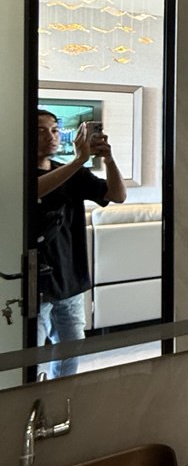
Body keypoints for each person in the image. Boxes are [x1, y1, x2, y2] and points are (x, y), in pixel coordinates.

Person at [36, 111, 126, 378]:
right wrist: (78, 160)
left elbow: (117, 195)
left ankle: (61, 391)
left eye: (54, 129)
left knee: (71, 348)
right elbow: (29, 192)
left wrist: (108, 160)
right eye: (41, 130)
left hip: (69, 277)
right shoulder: (15, 173)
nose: (51, 136)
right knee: (30, 355)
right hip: (32, 283)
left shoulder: (73, 173)